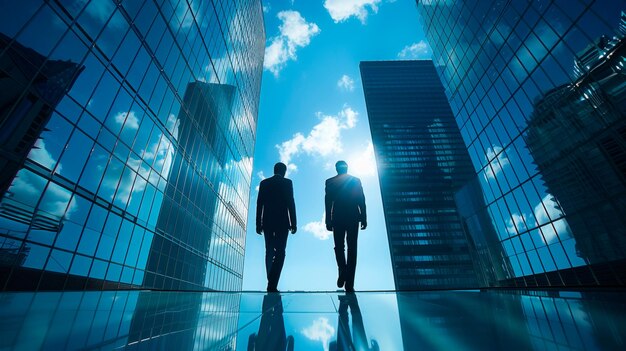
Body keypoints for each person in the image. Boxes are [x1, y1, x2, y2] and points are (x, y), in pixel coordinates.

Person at [325, 160, 366, 292]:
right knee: (352, 248)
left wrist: (328, 220)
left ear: (336, 169)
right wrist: (364, 216)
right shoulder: (355, 180)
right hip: (353, 216)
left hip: (338, 216)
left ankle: (343, 270)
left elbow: (328, 202)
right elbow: (361, 199)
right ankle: (349, 283)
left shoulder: (330, 181)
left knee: (339, 246)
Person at [256, 162, 297, 292]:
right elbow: (291, 203)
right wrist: (293, 222)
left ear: (274, 170)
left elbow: (259, 204)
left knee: (269, 251)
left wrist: (258, 223)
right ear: (284, 171)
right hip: (283, 222)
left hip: (267, 222)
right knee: (280, 252)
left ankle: (271, 281)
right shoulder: (287, 183)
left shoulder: (264, 183)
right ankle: (272, 283)